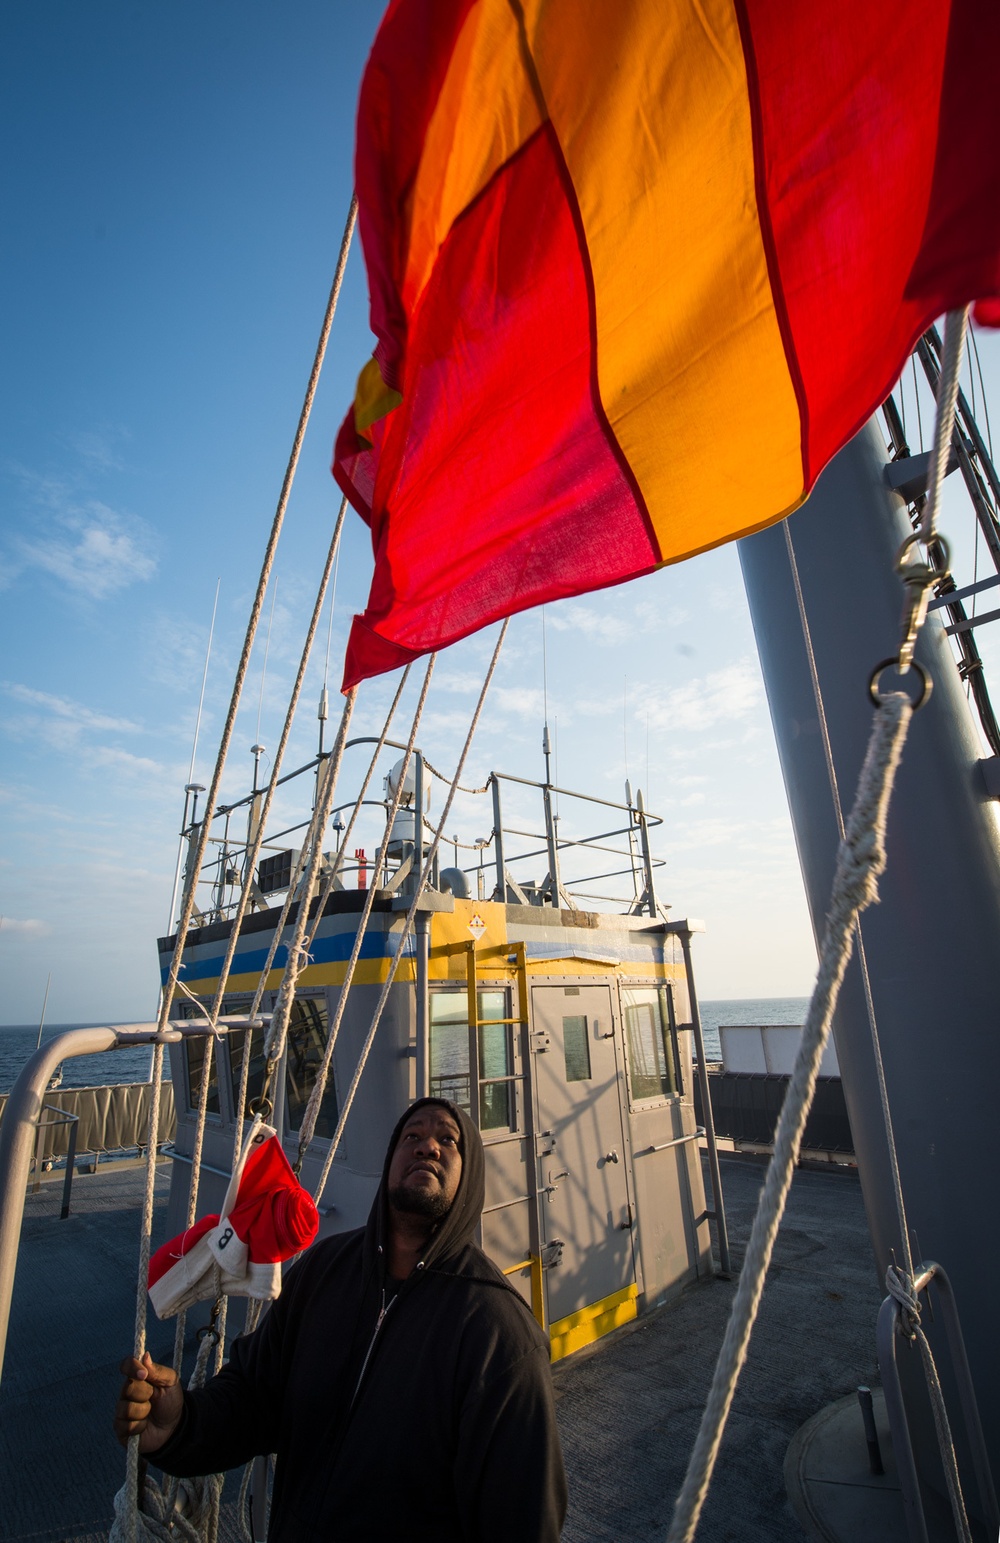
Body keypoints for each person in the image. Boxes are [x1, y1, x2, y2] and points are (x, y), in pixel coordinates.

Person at [115, 1097, 567, 1541]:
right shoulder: (323, 1271)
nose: (427, 1146)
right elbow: (255, 1396)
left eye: (447, 1141)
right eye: (413, 1135)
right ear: (390, 1161)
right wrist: (178, 1426)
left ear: (469, 1182)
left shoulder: (499, 1334)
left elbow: (522, 1518)